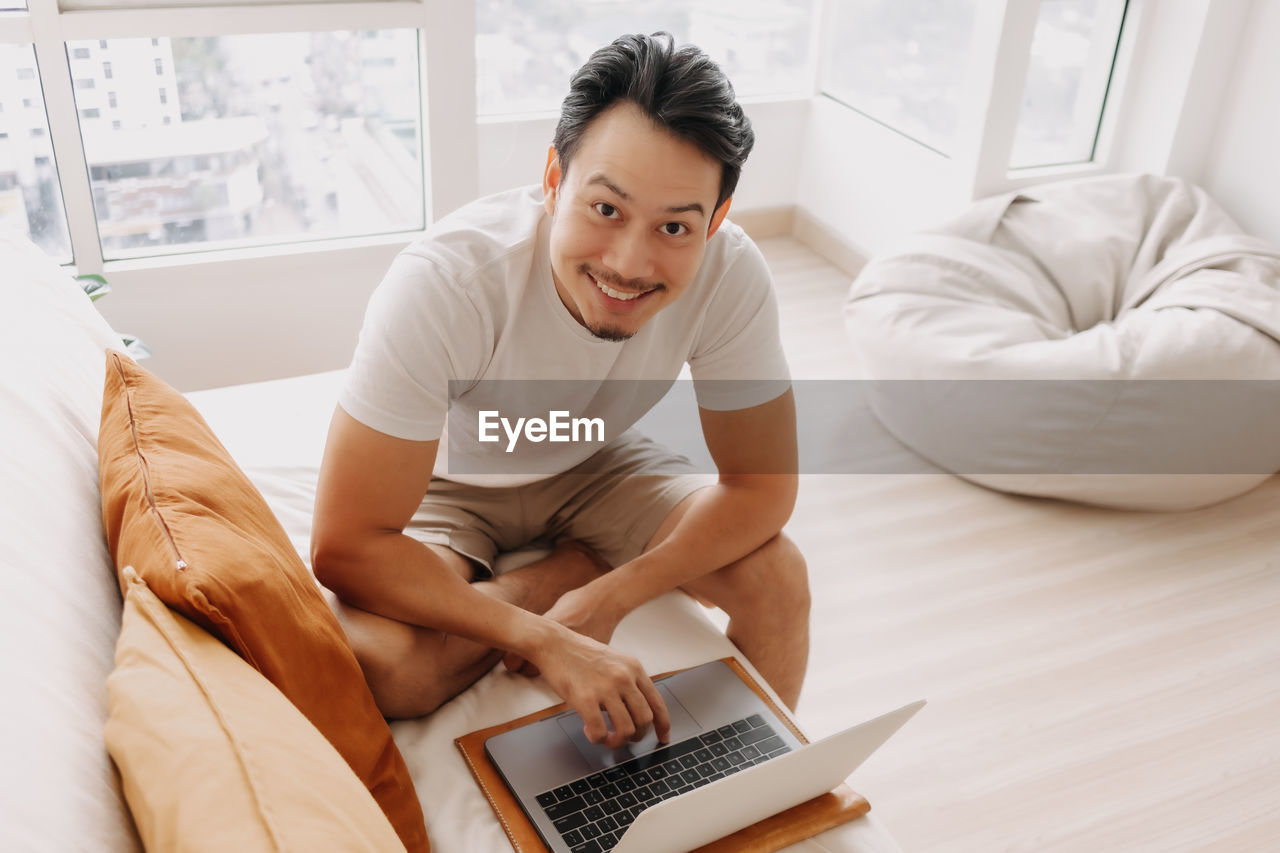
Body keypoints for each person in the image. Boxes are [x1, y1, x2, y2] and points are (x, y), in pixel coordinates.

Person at [311, 32, 809, 750]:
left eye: (675, 226)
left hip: (595, 462)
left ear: (716, 222)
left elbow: (763, 486)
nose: (631, 262)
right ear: (554, 177)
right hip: (449, 476)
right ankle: (557, 571)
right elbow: (345, 544)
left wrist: (618, 591)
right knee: (390, 669)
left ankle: (751, 792)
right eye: (606, 209)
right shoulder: (449, 284)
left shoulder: (731, 274)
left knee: (779, 578)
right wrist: (543, 634)